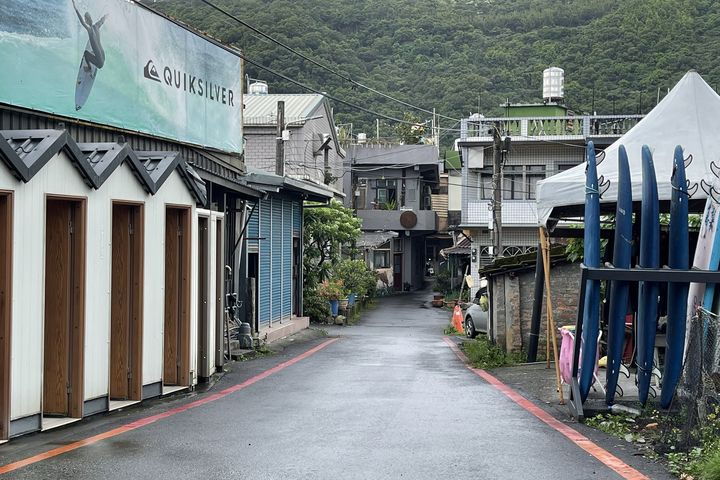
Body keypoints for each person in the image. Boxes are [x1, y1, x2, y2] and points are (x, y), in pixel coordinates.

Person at [72, 0, 108, 72]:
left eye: (85, 19)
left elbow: (81, 21)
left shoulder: (89, 30)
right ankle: (95, 55)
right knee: (94, 49)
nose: (85, 20)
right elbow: (102, 20)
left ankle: (89, 68)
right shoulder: (97, 26)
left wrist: (75, 8)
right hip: (103, 57)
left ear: (87, 20)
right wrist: (107, 15)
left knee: (86, 53)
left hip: (99, 63)